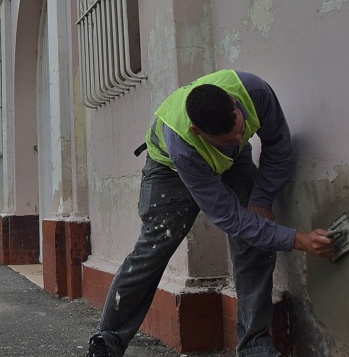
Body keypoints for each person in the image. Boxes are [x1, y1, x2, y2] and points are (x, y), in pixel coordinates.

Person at [87, 70, 335, 357]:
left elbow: (279, 146)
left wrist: (261, 199)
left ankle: (256, 347)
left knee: (255, 241)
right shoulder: (184, 147)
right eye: (226, 138)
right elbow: (229, 217)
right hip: (168, 170)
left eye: (240, 130)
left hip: (230, 162)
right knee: (153, 249)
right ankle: (108, 340)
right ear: (198, 132)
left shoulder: (255, 93)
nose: (238, 138)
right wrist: (298, 240)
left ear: (232, 101)